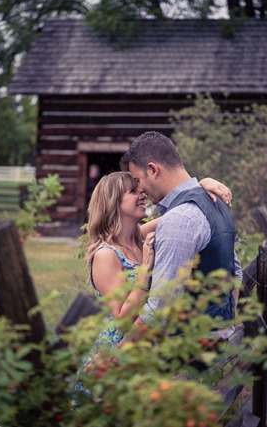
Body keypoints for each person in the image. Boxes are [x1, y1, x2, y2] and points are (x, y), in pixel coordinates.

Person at [75, 170, 233, 387]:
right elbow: (122, 316)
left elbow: (183, 210)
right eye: (133, 191)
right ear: (112, 202)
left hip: (145, 345)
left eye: (140, 189)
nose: (142, 194)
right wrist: (146, 269)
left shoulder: (139, 239)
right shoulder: (106, 254)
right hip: (116, 353)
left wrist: (202, 185)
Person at [120, 131, 242, 342]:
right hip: (213, 338)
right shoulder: (214, 202)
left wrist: (115, 357)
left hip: (187, 348)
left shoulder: (180, 218)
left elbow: (159, 308)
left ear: (152, 169)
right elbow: (235, 274)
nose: (140, 189)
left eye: (138, 180)